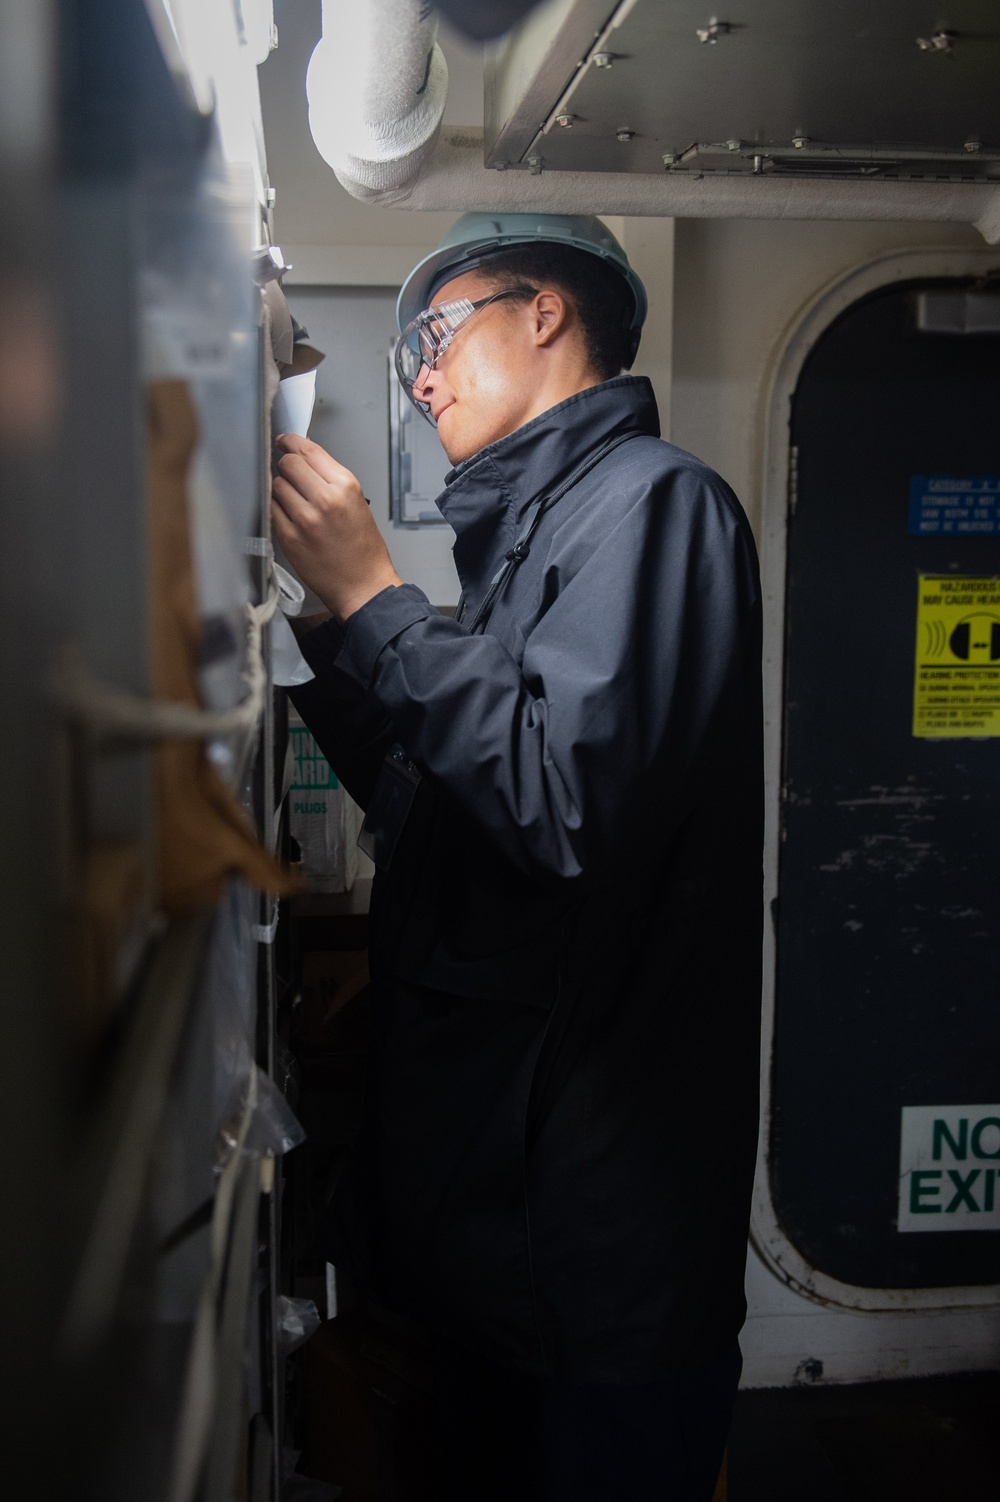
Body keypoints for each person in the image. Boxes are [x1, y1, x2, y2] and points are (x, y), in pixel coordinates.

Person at [272, 213, 762, 1501]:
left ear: (544, 312)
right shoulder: (531, 544)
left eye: (432, 337)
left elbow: (559, 800)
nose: (421, 380)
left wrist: (381, 602)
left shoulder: (658, 506)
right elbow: (438, 804)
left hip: (589, 1270)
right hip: (499, 1250)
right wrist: (329, 629)